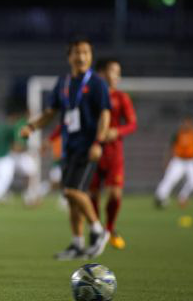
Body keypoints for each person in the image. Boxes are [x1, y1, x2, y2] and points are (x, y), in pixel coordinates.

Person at [20, 38, 111, 260]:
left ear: (90, 56)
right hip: (69, 147)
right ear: (69, 56)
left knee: (73, 191)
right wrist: (32, 126)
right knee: (69, 198)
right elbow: (51, 112)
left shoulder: (98, 83)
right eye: (77, 52)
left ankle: (98, 231)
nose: (82, 57)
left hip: (88, 147)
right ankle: (77, 243)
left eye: (86, 52)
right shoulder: (64, 82)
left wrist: (99, 142)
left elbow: (105, 114)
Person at [89, 58, 137, 249]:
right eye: (113, 71)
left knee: (115, 194)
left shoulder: (121, 97)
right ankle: (96, 228)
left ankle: (109, 228)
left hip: (114, 153)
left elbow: (132, 124)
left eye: (118, 72)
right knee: (92, 194)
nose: (117, 76)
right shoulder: (90, 96)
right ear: (101, 73)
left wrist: (117, 131)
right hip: (93, 150)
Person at [0, 109, 40, 208]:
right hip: (4, 157)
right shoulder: (13, 128)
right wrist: (30, 149)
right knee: (4, 179)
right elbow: (16, 145)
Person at [155, 115, 193, 208]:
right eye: (185, 122)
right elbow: (170, 148)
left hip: (190, 161)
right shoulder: (178, 134)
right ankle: (160, 197)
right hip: (178, 160)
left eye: (188, 122)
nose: (186, 124)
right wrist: (166, 160)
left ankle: (183, 196)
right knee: (170, 178)